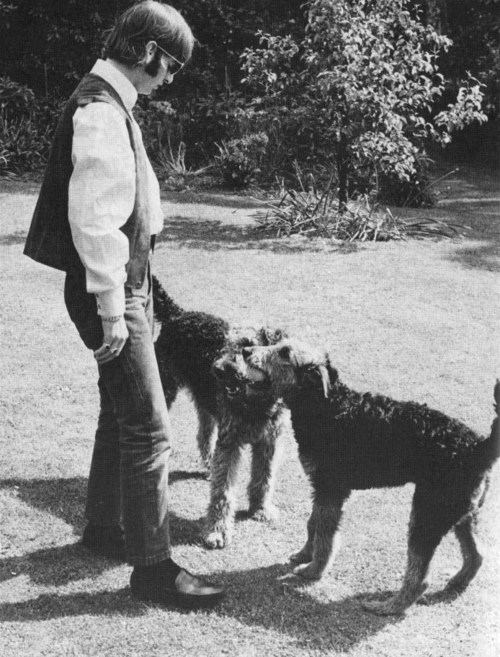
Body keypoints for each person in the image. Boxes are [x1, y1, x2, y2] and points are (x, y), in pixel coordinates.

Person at [24, 0, 224, 609]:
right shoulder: (100, 111)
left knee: (119, 415)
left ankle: (104, 529)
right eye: (170, 67)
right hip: (112, 290)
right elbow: (93, 222)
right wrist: (116, 306)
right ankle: (155, 570)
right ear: (147, 52)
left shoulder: (108, 101)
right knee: (150, 429)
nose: (169, 79)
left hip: (122, 286)